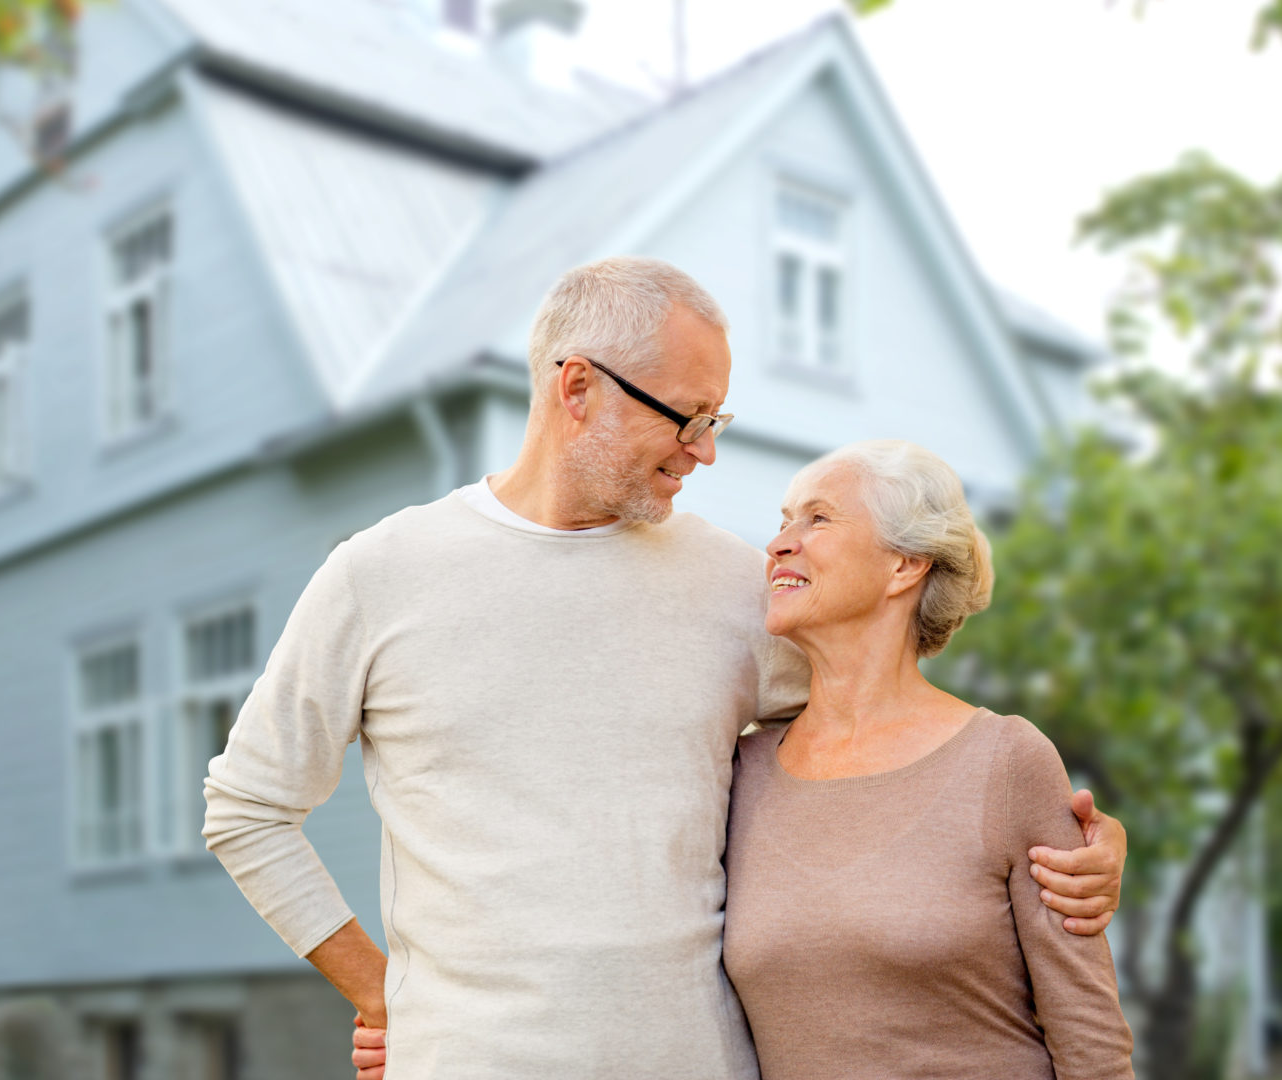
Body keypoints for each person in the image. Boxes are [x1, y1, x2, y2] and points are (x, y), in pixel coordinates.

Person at [202, 258, 1126, 1080]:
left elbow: (893, 738)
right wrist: (381, 992)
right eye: (687, 416)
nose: (706, 449)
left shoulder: (735, 586)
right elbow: (247, 809)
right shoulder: (381, 574)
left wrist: (1071, 847)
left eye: (717, 418)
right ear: (577, 390)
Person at [724, 439, 1134, 1078]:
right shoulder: (740, 772)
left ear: (905, 566)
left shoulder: (1005, 760)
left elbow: (1091, 1038)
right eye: (783, 521)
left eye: (818, 518)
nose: (779, 543)